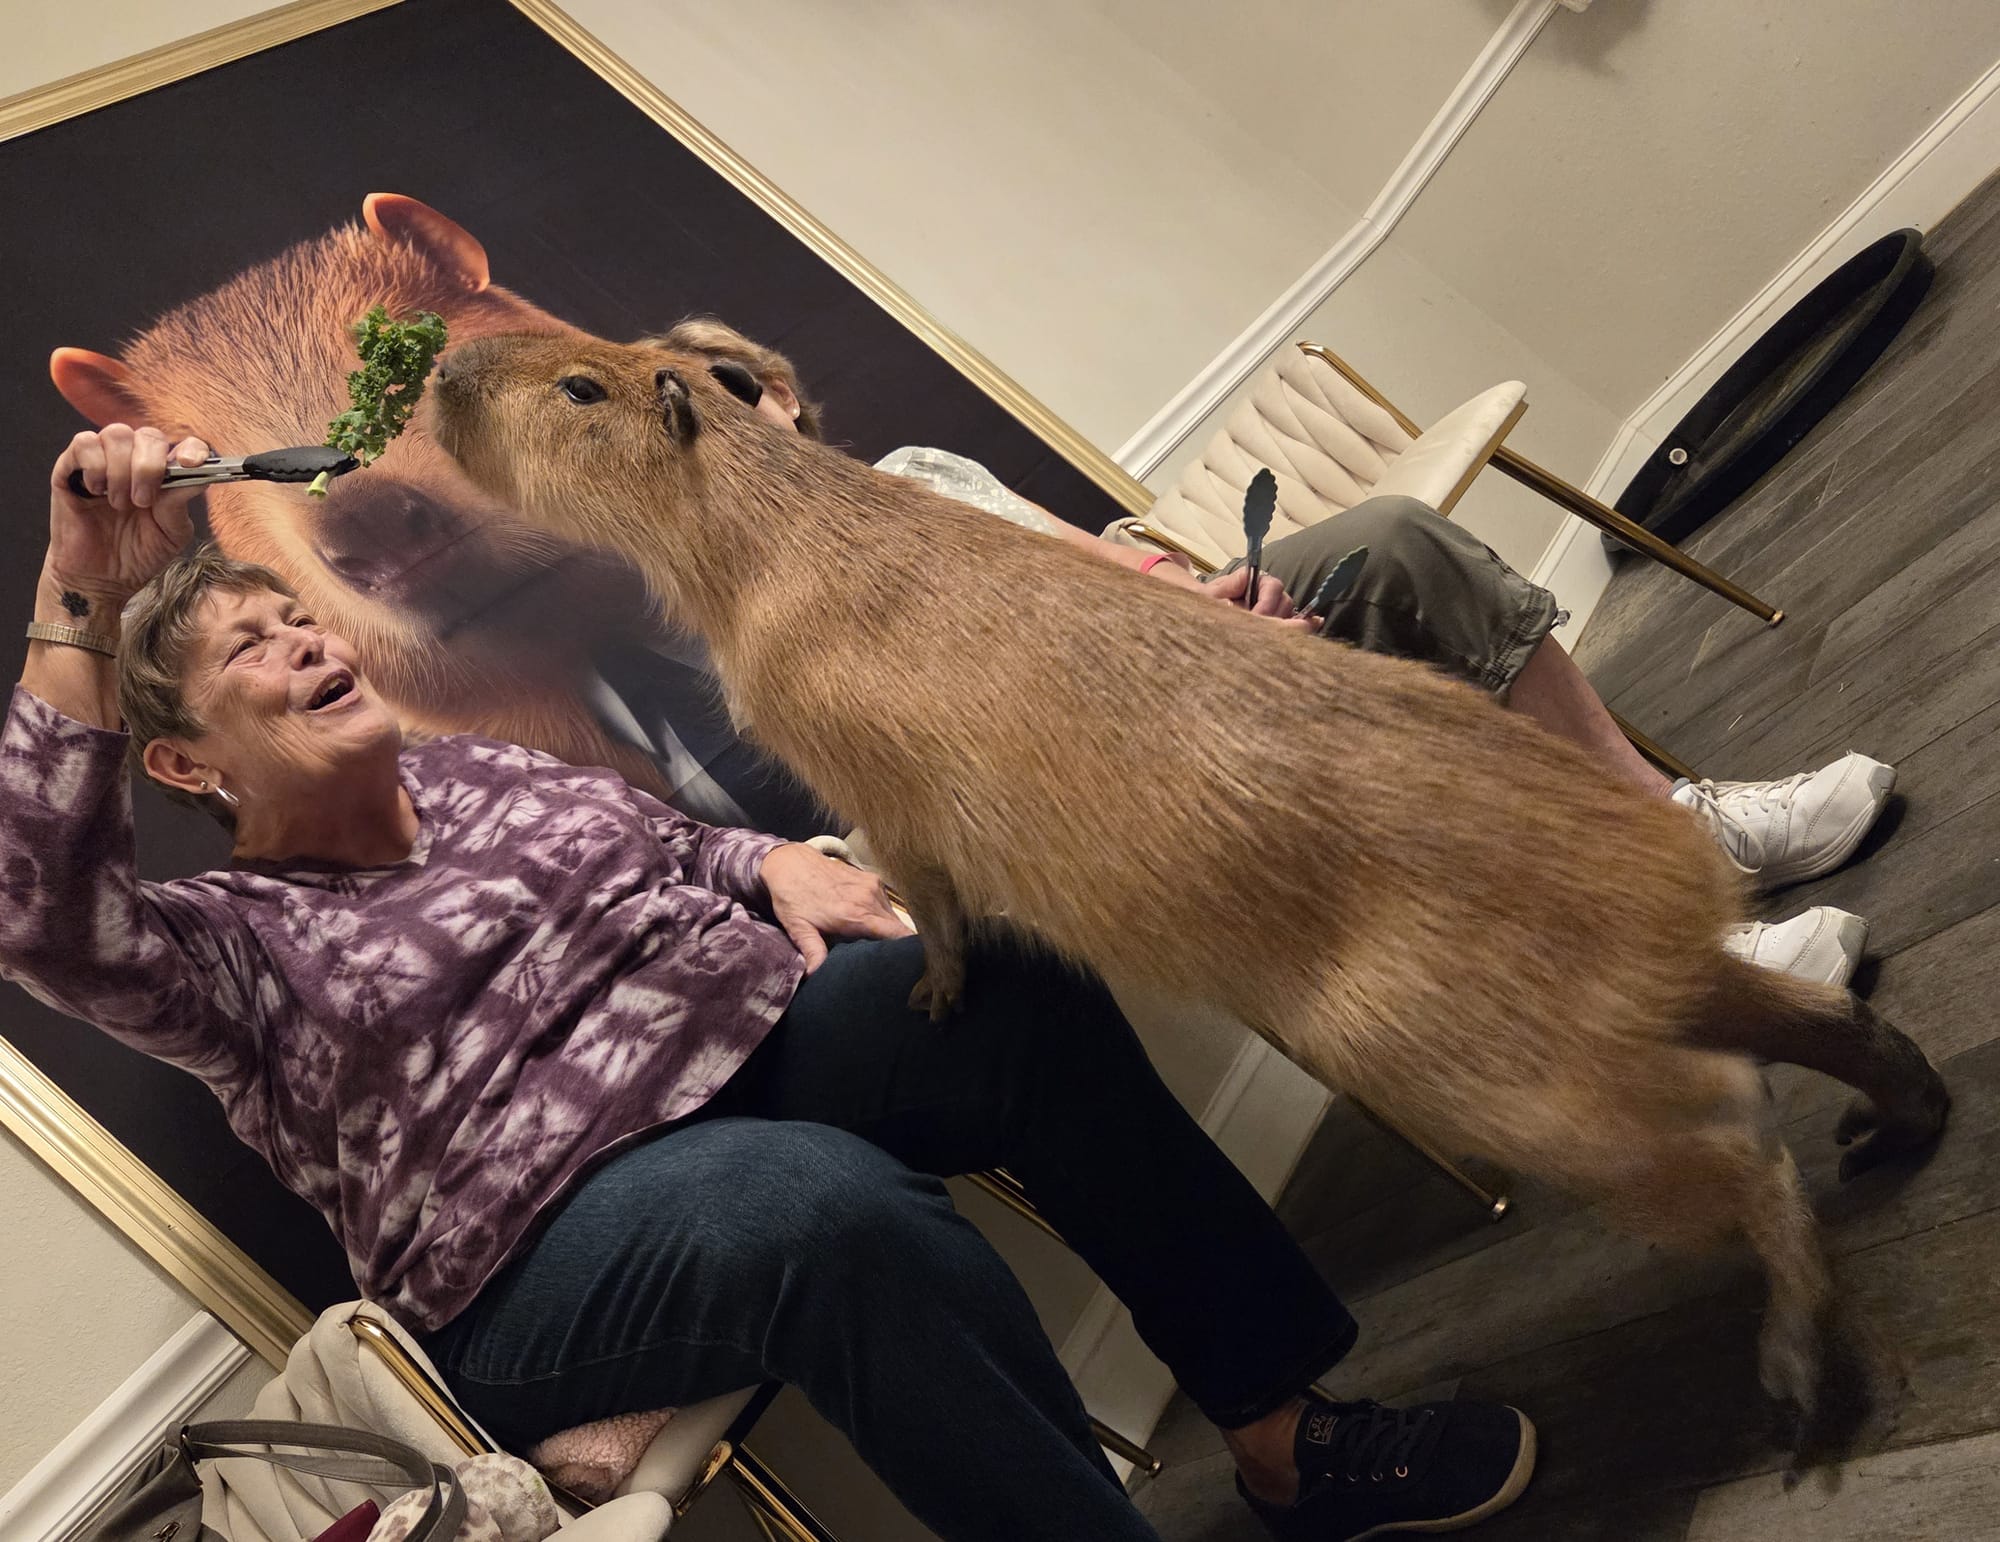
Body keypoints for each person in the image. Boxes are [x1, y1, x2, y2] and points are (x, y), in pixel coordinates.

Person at [1, 425, 1538, 1542]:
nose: (296, 641)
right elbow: (38, 914)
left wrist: (770, 862)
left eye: (294, 618)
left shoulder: (469, 772)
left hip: (739, 1053)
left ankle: (1283, 1439)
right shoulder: (217, 949)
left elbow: (664, 841)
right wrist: (80, 582)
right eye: (248, 653)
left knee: (991, 970)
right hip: (537, 1252)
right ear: (185, 763)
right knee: (814, 1207)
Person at [658, 317, 1896, 990]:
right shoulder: (764, 634)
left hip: (1163, 639)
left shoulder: (918, 473)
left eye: (733, 387)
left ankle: (1675, 830)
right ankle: (1675, 952)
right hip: (1083, 767)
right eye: (693, 422)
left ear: (781, 395)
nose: (732, 421)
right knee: (1297, 747)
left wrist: (1209, 601)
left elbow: (1095, 566)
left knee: (1391, 540)